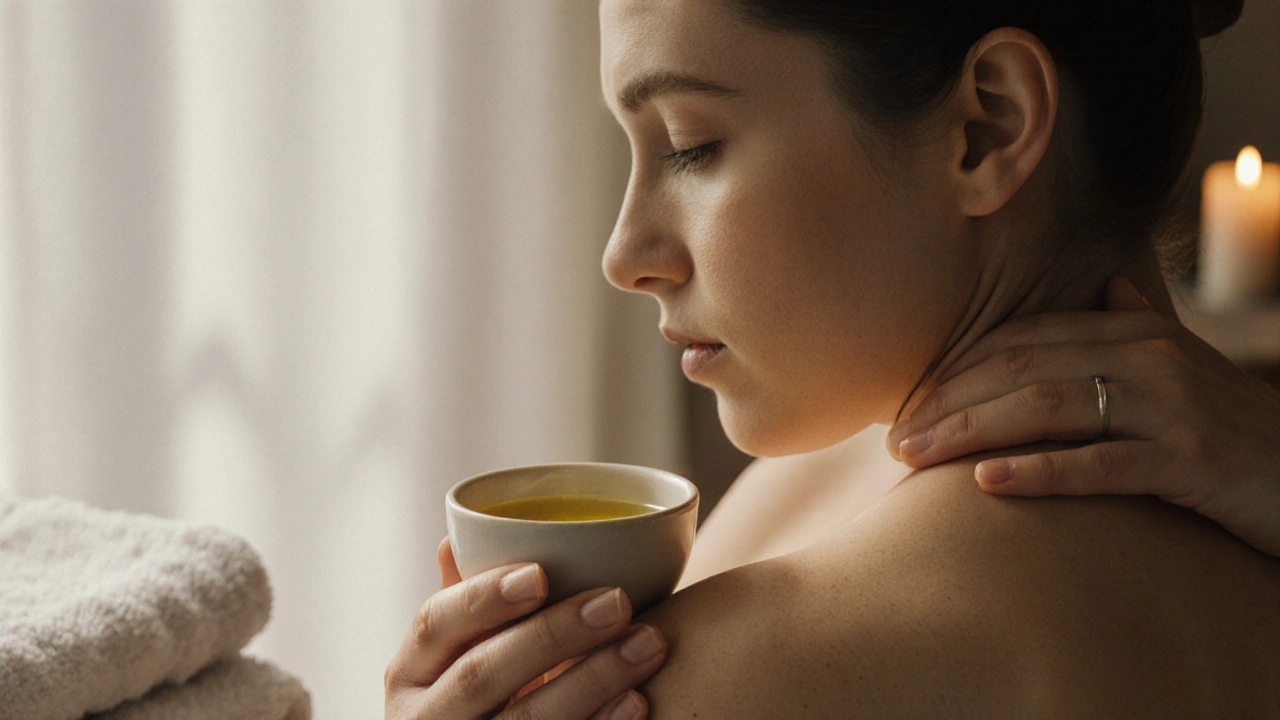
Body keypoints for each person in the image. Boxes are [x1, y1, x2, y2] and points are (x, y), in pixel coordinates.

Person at [384, 1, 1280, 717]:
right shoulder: (1248, 512)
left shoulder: (743, 666)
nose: (625, 255)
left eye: (692, 146)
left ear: (988, 127)